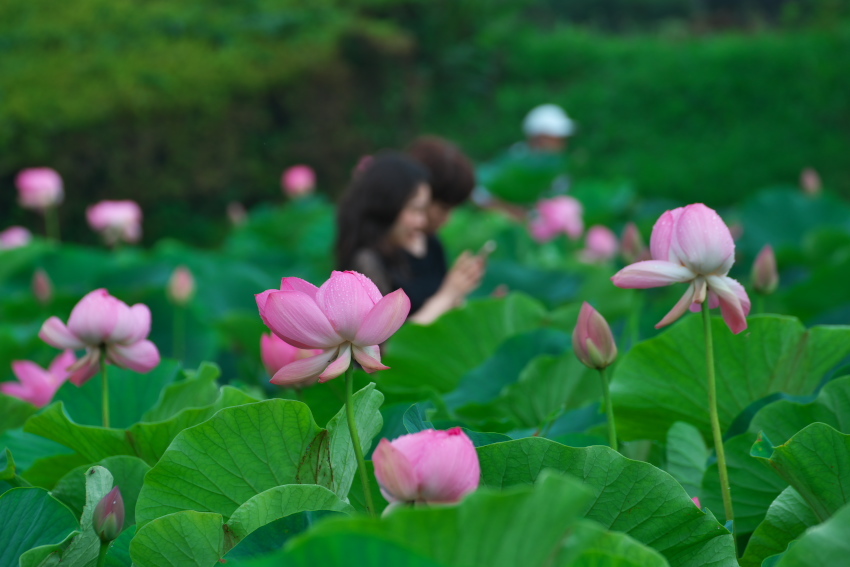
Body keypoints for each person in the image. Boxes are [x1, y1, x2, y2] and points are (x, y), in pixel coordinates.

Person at [336, 152, 484, 325]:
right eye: (415, 210)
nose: (422, 222)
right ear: (387, 206)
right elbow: (387, 344)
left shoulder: (426, 244)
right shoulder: (366, 263)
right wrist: (447, 295)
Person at [475, 103, 575, 209]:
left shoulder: (559, 168)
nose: (562, 144)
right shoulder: (515, 158)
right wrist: (507, 209)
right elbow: (479, 190)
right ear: (538, 138)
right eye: (556, 139)